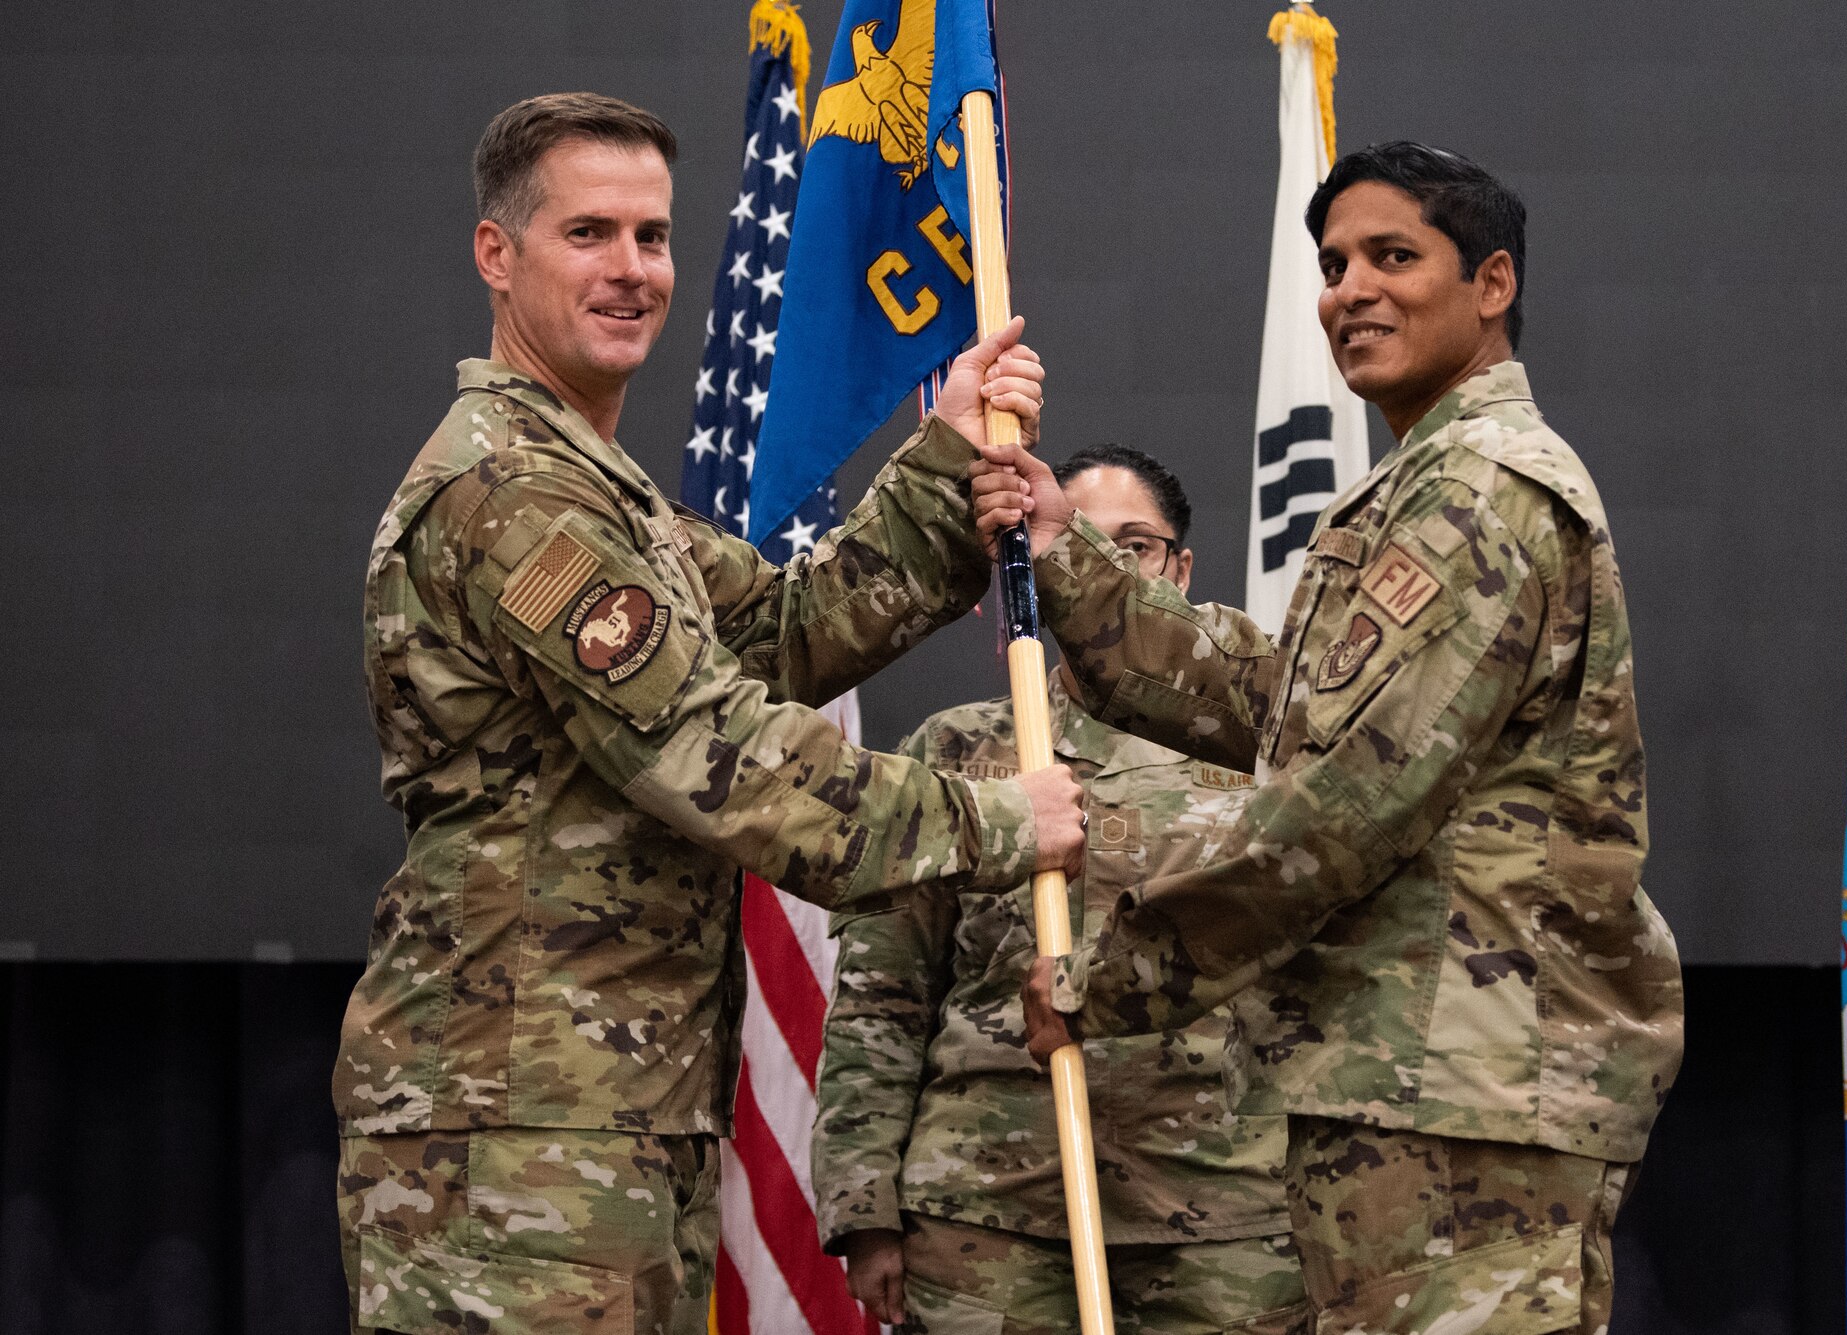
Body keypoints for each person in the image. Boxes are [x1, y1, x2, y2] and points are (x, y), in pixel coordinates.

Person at [333, 92, 1085, 1335]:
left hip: (610, 1107)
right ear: (494, 253)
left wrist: (949, 458)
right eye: (588, 233)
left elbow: (788, 634)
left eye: (651, 237)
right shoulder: (510, 492)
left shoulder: (598, 490)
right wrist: (997, 821)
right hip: (518, 1130)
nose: (631, 271)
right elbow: (713, 754)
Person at [978, 142, 1684, 1333]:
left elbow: (1339, 809)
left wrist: (1105, 983)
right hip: (1407, 1080)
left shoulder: (1482, 491)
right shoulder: (1422, 482)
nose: (1348, 290)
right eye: (1332, 263)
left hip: (1462, 1091)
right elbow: (1288, 710)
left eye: (1391, 257)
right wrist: (1068, 560)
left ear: (1492, 281)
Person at [813, 445, 1309, 1335]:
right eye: (1079, 539)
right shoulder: (958, 753)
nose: (1108, 565)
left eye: (1138, 545)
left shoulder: (1262, 756)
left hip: (1225, 1212)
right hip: (992, 1212)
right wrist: (864, 1205)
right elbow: (883, 996)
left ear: (1181, 568)